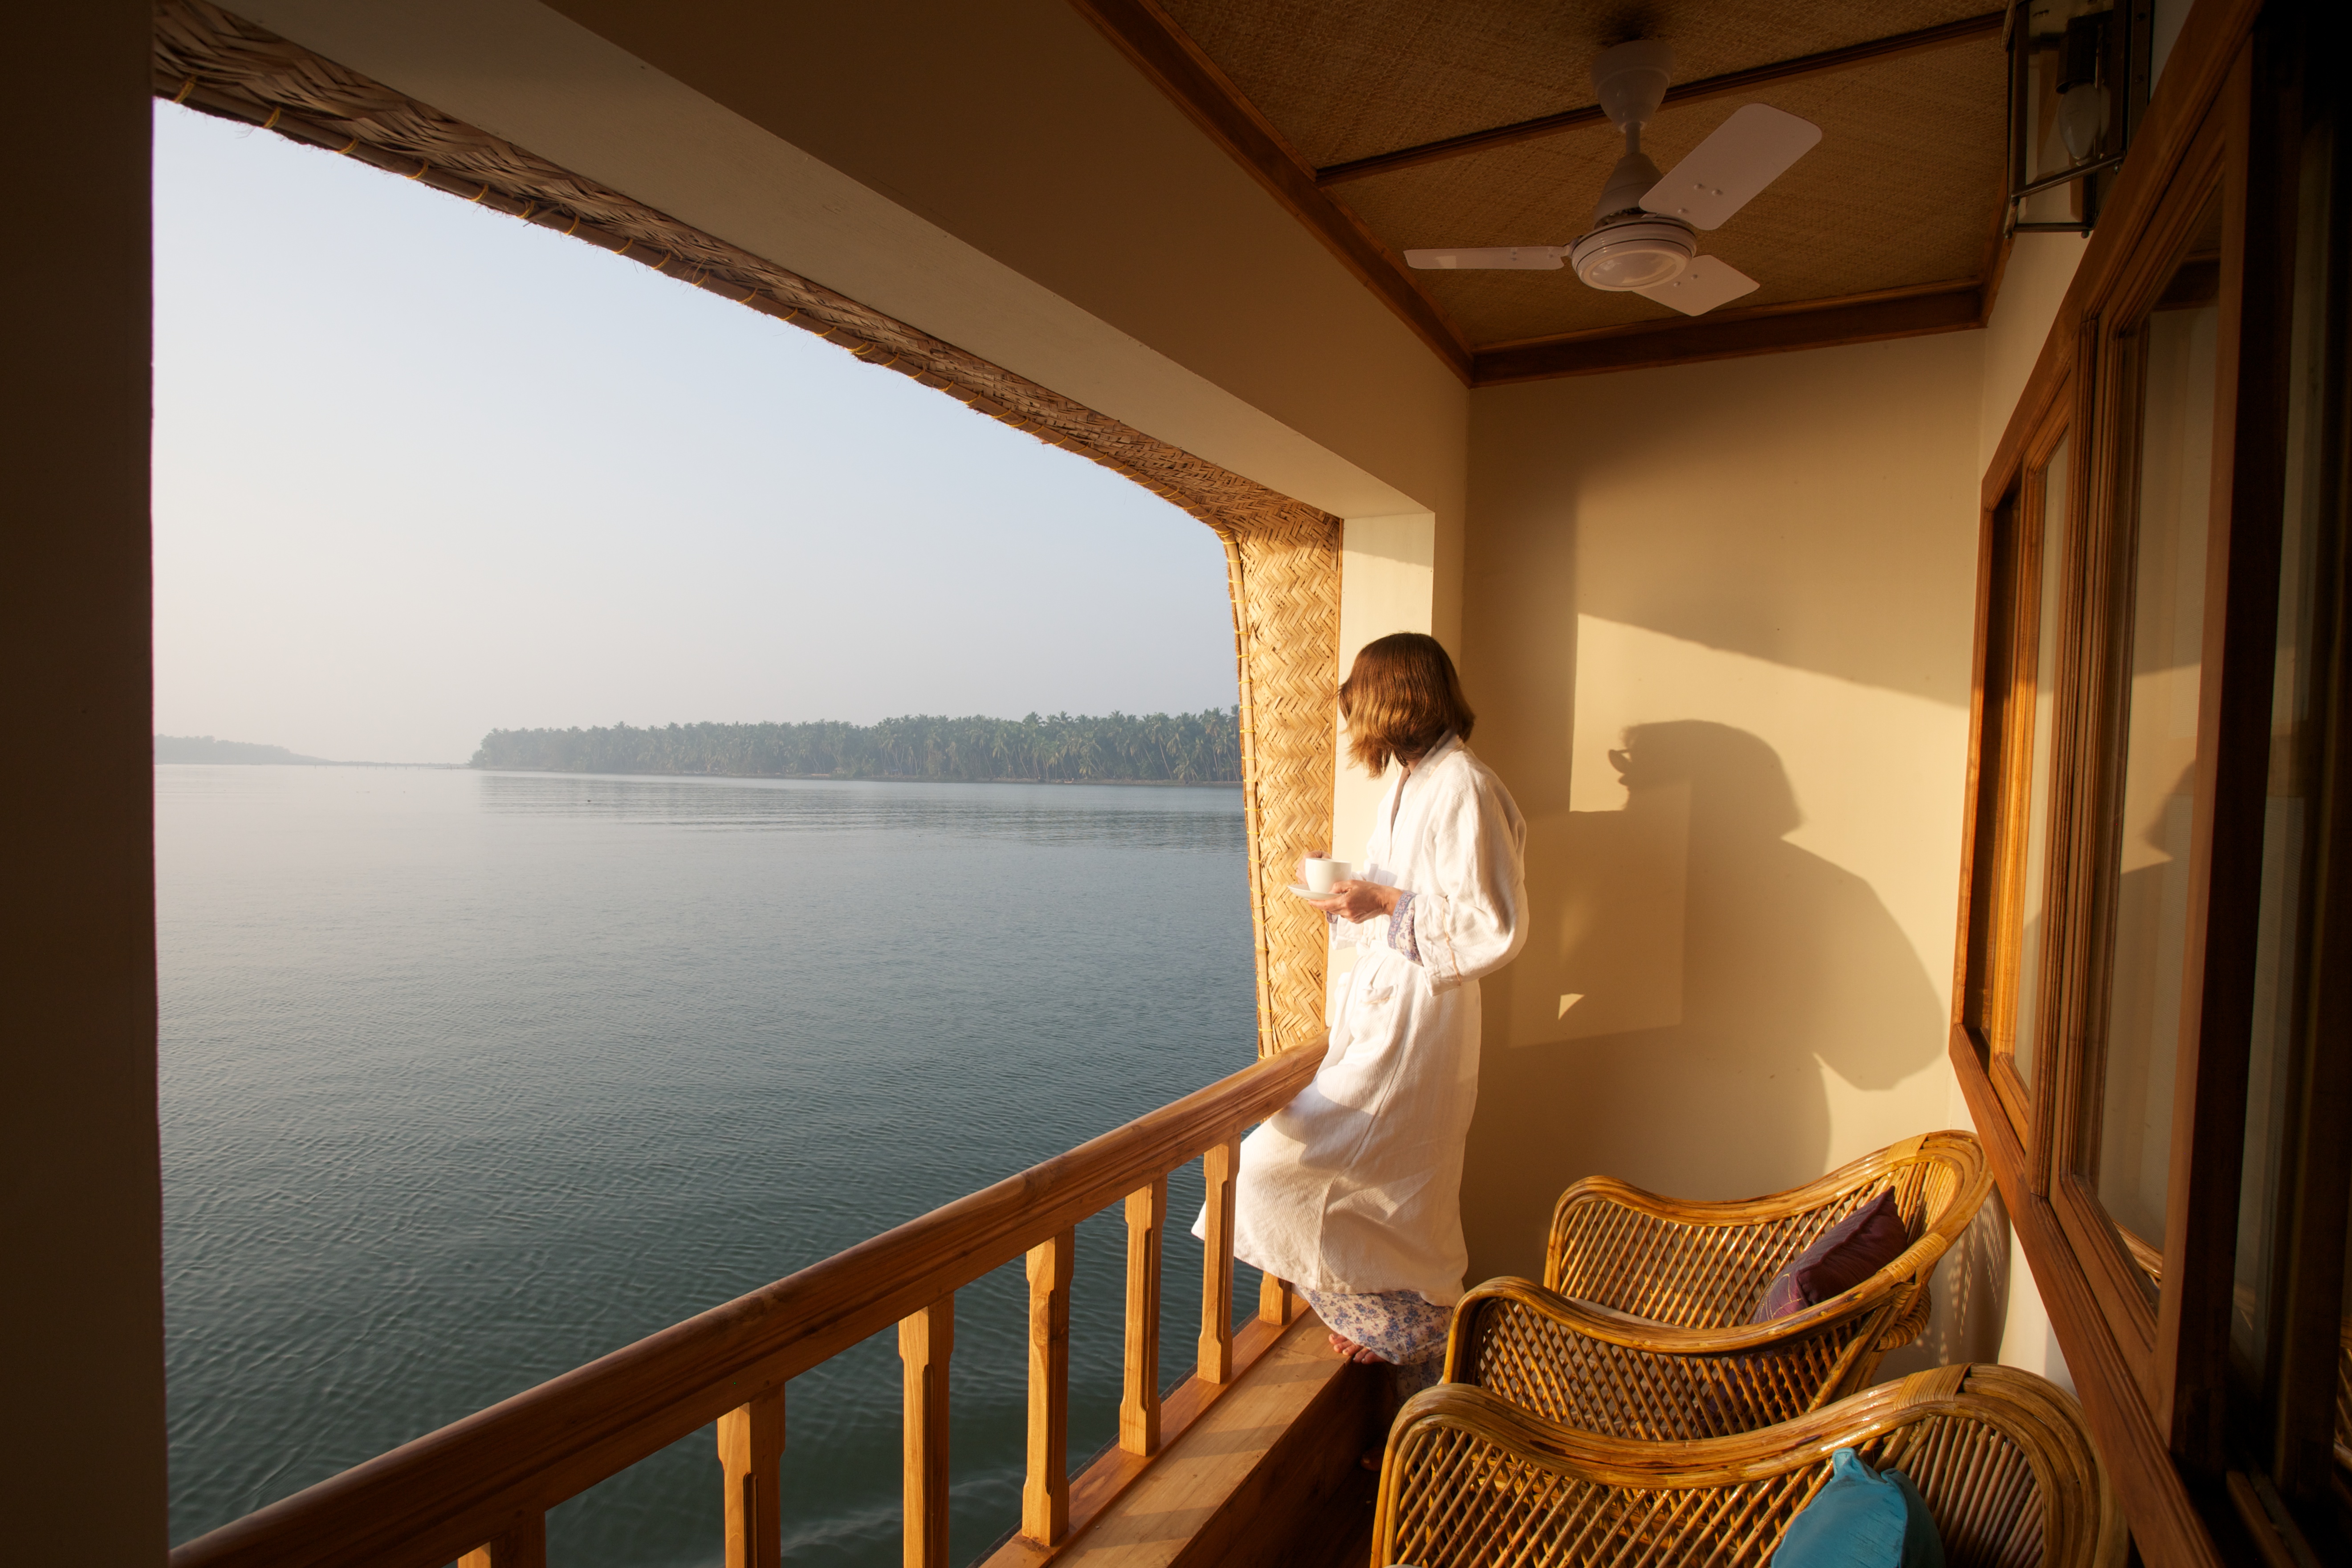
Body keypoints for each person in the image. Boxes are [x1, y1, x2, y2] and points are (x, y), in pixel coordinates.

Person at [1206, 631, 1526, 1403]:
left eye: (1363, 702)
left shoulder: (1463, 788)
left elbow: (1493, 925)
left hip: (1419, 1024)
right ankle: (1416, 1399)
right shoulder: (1412, 782)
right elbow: (1391, 906)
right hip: (1390, 1011)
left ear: (1394, 700)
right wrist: (1347, 899)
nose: (1359, 724)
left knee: (1266, 1173)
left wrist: (1380, 901)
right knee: (1398, 1202)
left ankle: (1413, 1334)